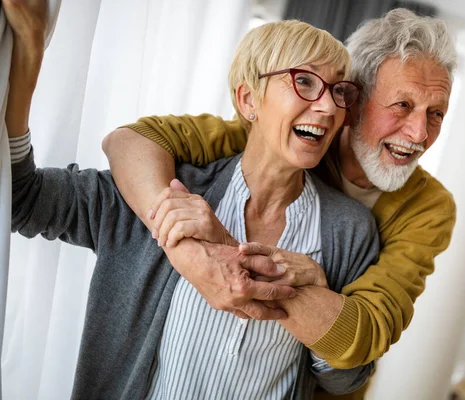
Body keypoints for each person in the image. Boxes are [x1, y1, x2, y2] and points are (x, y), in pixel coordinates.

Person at [4, 1, 378, 398]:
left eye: (339, 90)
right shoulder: (163, 191)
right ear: (248, 100)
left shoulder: (349, 230)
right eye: (304, 81)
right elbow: (20, 199)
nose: (326, 106)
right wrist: (29, 52)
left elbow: (345, 378)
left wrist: (313, 300)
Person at [104, 6, 458, 381]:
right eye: (402, 105)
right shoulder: (290, 137)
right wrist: (187, 252)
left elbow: (365, 334)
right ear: (352, 102)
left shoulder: (430, 208)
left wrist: (247, 259)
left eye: (436, 113)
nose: (420, 133)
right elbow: (130, 141)